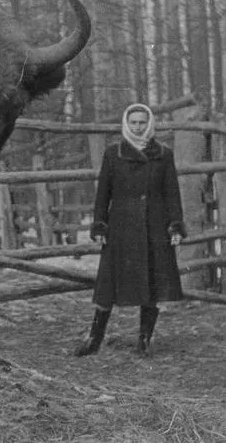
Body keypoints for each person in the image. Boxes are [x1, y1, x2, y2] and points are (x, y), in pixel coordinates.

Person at [75, 103, 187, 358]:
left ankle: (144, 339)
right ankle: (94, 338)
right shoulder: (113, 154)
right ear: (127, 124)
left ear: (149, 124)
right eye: (133, 122)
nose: (138, 127)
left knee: (152, 284)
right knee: (108, 284)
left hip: (154, 225)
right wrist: (100, 224)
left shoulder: (163, 154)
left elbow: (171, 192)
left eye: (142, 122)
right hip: (121, 226)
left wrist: (175, 225)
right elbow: (103, 193)